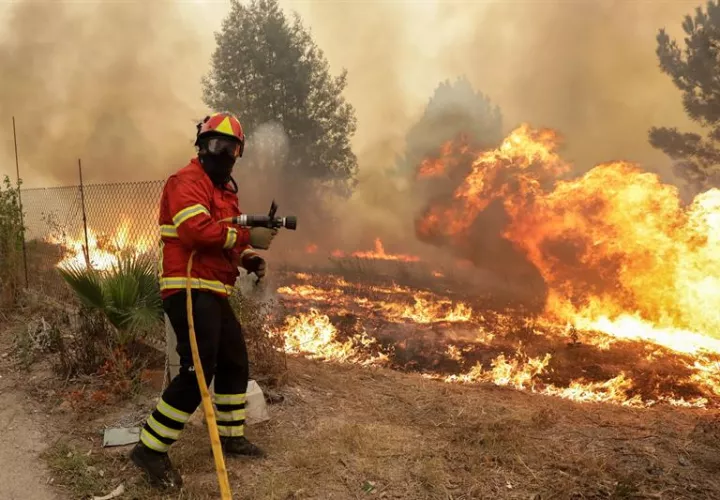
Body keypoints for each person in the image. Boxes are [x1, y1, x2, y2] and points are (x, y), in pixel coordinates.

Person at [130, 112, 277, 488]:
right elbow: (196, 232)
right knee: (197, 372)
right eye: (216, 144)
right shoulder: (186, 181)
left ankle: (231, 435)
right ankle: (149, 448)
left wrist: (249, 259)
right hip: (188, 287)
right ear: (201, 145)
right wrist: (246, 239)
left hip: (213, 289)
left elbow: (222, 239)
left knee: (234, 360)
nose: (223, 153)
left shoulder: (227, 192)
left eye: (231, 148)